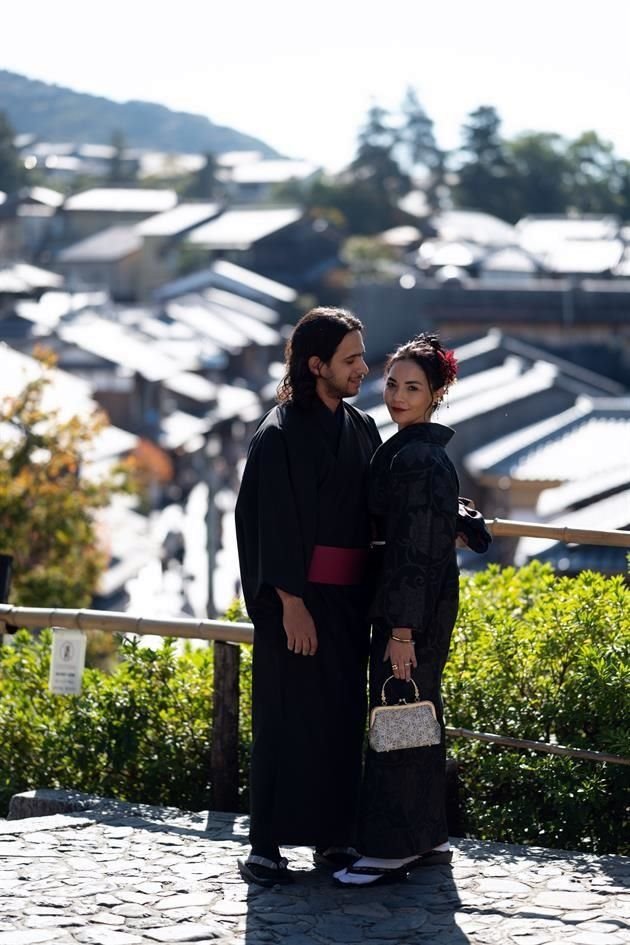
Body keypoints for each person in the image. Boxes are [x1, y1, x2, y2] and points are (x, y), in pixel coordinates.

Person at [234, 307, 382, 886]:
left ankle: (334, 837)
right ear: (317, 365)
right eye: (352, 359)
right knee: (285, 717)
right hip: (295, 601)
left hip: (348, 602)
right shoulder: (278, 434)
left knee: (341, 718)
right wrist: (291, 603)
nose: (363, 369)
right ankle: (265, 846)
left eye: (362, 357)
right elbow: (267, 523)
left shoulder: (361, 427)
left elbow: (379, 507)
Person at [334, 332, 461, 887]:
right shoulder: (417, 451)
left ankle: (390, 850)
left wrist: (403, 631)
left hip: (410, 607)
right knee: (416, 712)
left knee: (397, 711)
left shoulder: (418, 458)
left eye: (413, 387)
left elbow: (411, 550)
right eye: (391, 384)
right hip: (420, 600)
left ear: (436, 394)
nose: (397, 396)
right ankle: (427, 836)